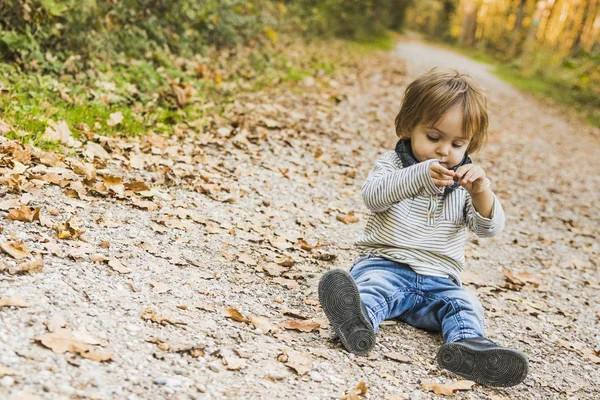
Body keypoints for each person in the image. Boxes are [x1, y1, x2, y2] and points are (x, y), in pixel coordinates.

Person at [318, 68, 528, 387]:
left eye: (458, 143)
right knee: (372, 288)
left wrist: (482, 192)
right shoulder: (393, 164)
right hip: (386, 266)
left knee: (466, 303)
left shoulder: (466, 181)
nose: (445, 150)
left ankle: (469, 348)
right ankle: (356, 323)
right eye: (433, 138)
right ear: (409, 127)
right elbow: (372, 197)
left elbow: (488, 228)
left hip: (439, 283)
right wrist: (418, 175)